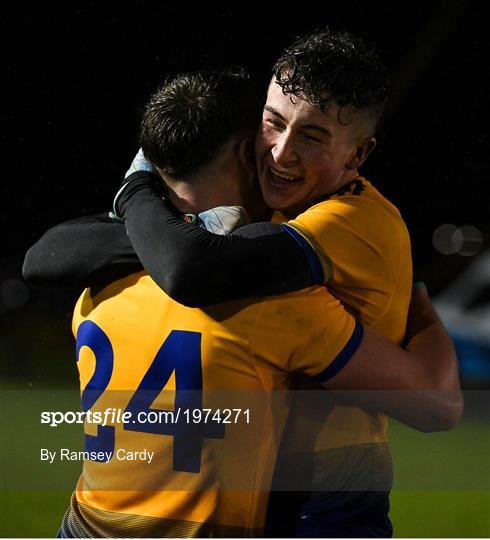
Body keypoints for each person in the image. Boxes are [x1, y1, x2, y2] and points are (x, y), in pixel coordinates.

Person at [23, 30, 462, 538]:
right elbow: (171, 258)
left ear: (358, 155)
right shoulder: (253, 271)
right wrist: (178, 229)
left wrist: (139, 191)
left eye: (313, 136)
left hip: (319, 509)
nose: (280, 153)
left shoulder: (351, 224)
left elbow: (190, 268)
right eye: (272, 124)